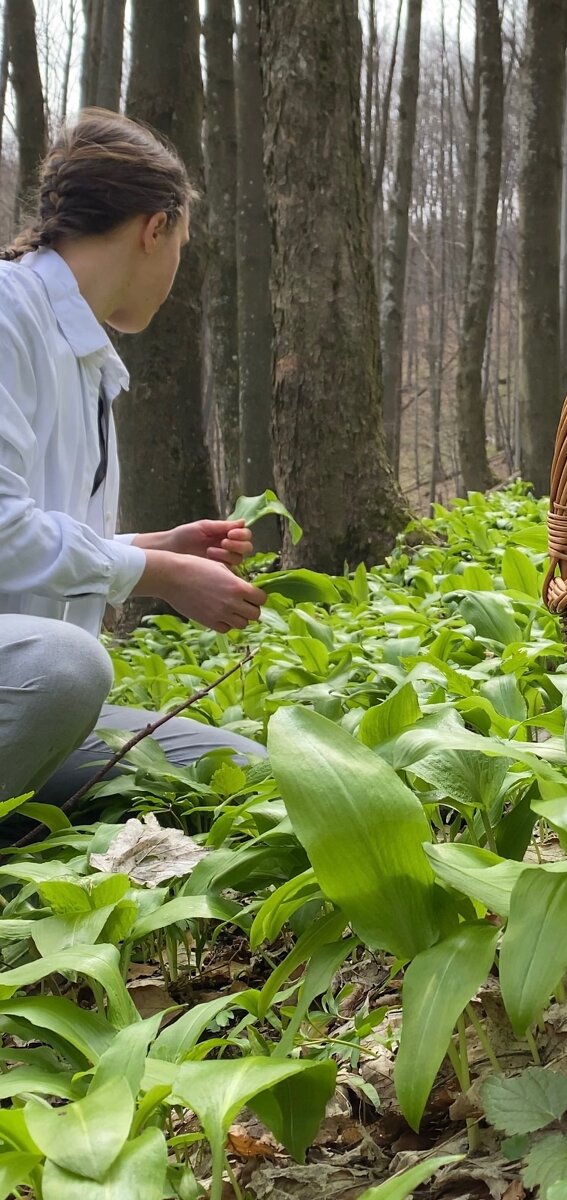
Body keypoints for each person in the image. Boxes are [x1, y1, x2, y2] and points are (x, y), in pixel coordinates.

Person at [0, 108, 268, 821]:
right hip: (39, 679)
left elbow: (34, 537)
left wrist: (155, 548)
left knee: (249, 776)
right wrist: (160, 574)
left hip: (28, 700)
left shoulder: (82, 356)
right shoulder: (6, 314)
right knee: (66, 666)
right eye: (181, 241)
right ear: (156, 228)